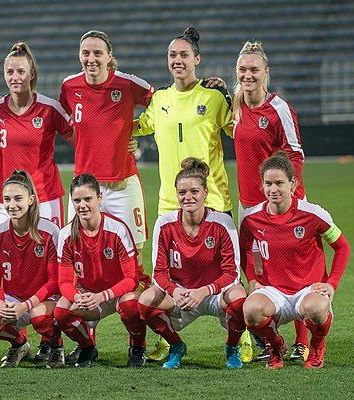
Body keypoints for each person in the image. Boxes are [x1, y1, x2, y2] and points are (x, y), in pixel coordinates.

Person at [132, 26, 235, 361]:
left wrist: (233, 94)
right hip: (168, 204)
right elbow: (134, 125)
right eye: (172, 55)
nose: (177, 60)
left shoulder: (213, 97)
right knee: (165, 280)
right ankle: (168, 337)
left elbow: (240, 128)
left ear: (197, 59)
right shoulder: (160, 100)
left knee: (226, 278)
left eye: (183, 55)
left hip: (214, 200)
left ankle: (240, 335)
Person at [58, 29, 152, 362]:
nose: (91, 59)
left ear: (109, 56)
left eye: (98, 53)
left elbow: (163, 104)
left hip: (124, 184)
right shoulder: (70, 87)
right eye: (86, 53)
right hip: (85, 188)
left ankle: (141, 340)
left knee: (134, 261)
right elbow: (75, 129)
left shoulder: (127, 84)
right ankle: (89, 335)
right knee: (84, 256)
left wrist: (136, 130)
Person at [233, 41, 308, 362]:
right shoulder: (234, 105)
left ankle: (303, 340)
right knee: (255, 271)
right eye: (242, 70)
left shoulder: (279, 109)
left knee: (293, 272)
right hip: (248, 206)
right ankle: (268, 339)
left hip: (281, 205)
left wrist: (290, 198)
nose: (248, 75)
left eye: (254, 70)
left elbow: (295, 153)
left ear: (266, 73)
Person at [240, 152, 350, 369]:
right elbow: (244, 249)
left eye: (279, 183)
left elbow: (342, 247)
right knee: (250, 310)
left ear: (293, 183)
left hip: (308, 289)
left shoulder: (313, 214)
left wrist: (331, 283)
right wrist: (252, 278)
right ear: (262, 186)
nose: (273, 189)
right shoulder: (251, 218)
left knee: (318, 309)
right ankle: (276, 346)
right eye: (268, 183)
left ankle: (317, 346)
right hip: (274, 290)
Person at [138, 158, 246, 369]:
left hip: (215, 294)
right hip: (182, 295)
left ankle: (232, 348)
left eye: (194, 191)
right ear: (176, 194)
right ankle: (176, 346)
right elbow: (159, 273)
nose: (188, 197)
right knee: (145, 302)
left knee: (240, 299)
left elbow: (232, 273)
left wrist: (203, 291)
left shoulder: (222, 222)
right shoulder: (165, 224)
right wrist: (175, 291)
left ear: (205, 192)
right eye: (182, 193)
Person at [54, 173, 148, 368]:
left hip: (121, 291)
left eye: (88, 199)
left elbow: (131, 278)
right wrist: (77, 297)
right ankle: (87, 347)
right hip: (90, 292)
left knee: (130, 306)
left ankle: (138, 348)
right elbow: (63, 282)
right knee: (62, 312)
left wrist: (102, 296)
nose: (83, 205)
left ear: (99, 199)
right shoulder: (66, 234)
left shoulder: (117, 229)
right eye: (77, 200)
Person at [0, 42, 75, 228]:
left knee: (50, 254)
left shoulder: (50, 108)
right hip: (7, 198)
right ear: (4, 75)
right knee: (8, 255)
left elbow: (80, 142)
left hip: (44, 196)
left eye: (21, 72)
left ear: (31, 74)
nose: (15, 77)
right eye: (10, 72)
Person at [0, 170, 64, 368]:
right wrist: (0, 303)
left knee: (39, 317)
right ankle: (19, 344)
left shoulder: (50, 232)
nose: (12, 205)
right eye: (7, 199)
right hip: (13, 298)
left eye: (18, 198)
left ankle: (56, 346)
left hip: (45, 299)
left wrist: (25, 306)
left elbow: (54, 282)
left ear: (31, 200)